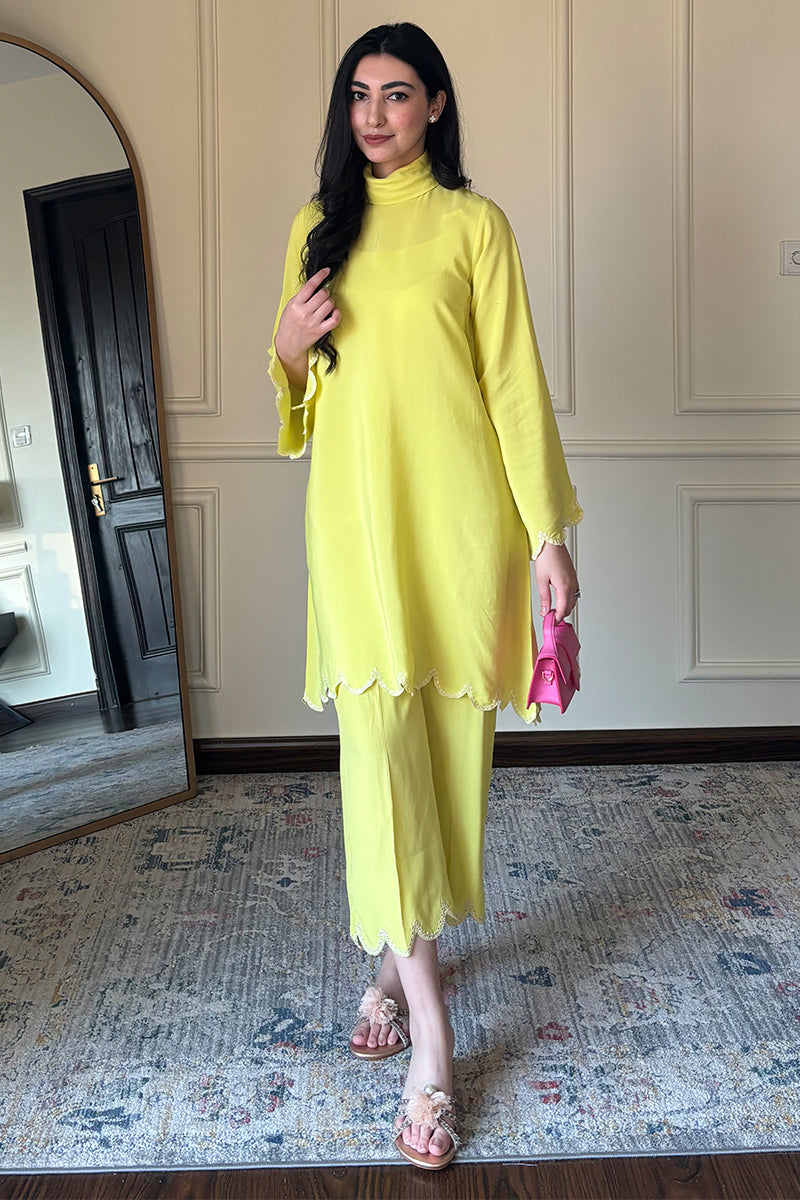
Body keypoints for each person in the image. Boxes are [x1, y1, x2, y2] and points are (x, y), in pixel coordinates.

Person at [269, 21, 583, 1170]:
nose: (373, 115)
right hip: (354, 538)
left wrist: (545, 538)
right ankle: (435, 1049)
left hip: (456, 536)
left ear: (435, 106)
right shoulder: (316, 228)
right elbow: (300, 410)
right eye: (358, 95)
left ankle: (389, 968)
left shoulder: (472, 227)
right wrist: (286, 348)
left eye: (396, 95)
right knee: (376, 767)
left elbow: (513, 388)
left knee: (440, 775)